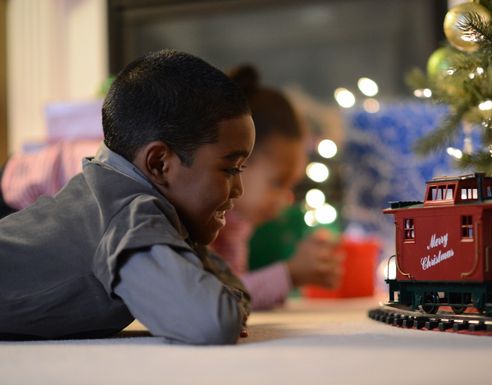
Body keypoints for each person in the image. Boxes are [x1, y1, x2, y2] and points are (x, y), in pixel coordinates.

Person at [0, 49, 254, 344]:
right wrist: (230, 303)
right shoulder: (129, 213)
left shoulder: (119, 194)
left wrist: (229, 296)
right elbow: (210, 321)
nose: (239, 190)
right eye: (230, 168)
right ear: (159, 163)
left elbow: (219, 276)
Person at [211, 65, 343, 310]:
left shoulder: (239, 224)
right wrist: (290, 274)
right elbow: (216, 299)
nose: (286, 198)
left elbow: (235, 295)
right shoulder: (205, 220)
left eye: (291, 185)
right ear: (237, 162)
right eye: (277, 183)